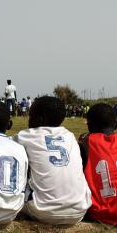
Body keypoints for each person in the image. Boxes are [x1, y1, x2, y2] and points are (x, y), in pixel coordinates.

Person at [13, 96, 91, 225]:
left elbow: (4, 146)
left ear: (41, 118)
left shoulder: (26, 136)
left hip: (43, 211)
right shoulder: (69, 136)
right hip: (79, 210)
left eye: (31, 116)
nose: (29, 120)